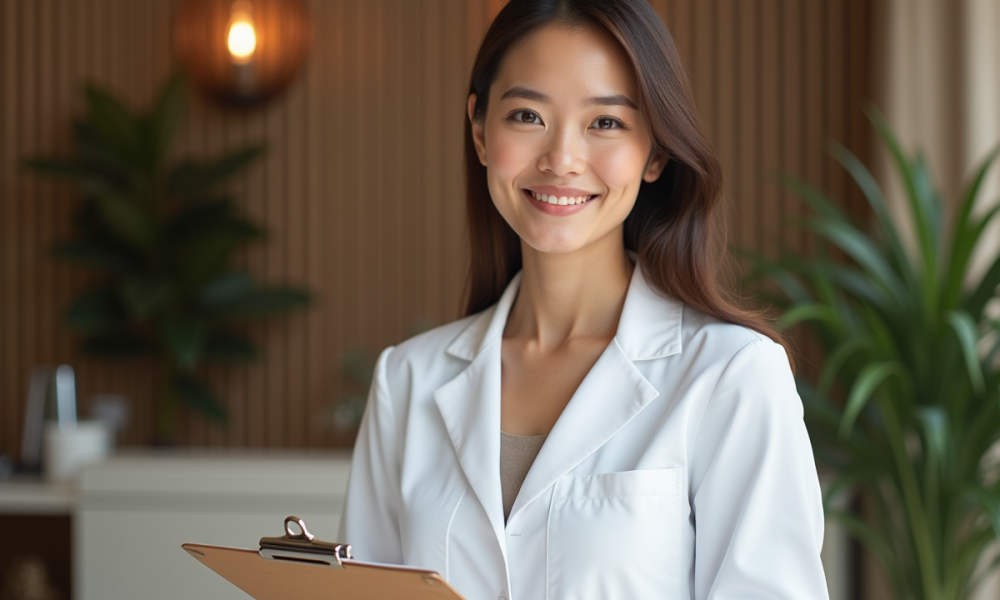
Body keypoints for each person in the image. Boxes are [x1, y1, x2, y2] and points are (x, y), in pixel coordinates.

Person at [339, 0, 829, 598]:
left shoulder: (732, 377)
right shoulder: (406, 381)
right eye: (526, 115)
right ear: (479, 130)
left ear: (655, 152)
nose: (561, 160)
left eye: (605, 123)